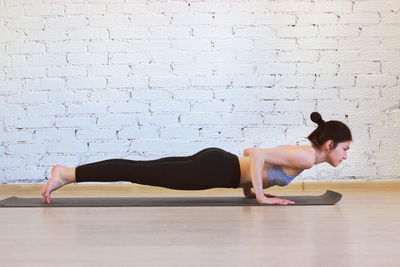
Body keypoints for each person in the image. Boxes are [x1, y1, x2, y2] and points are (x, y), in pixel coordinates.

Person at [41, 112, 352, 205]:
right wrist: (260, 196)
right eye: (345, 148)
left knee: (139, 169)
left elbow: (250, 157)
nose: (345, 155)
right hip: (215, 169)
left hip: (218, 164)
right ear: (329, 144)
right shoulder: (307, 158)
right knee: (137, 171)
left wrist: (252, 187)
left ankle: (67, 173)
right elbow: (255, 156)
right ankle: (66, 174)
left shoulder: (303, 154)